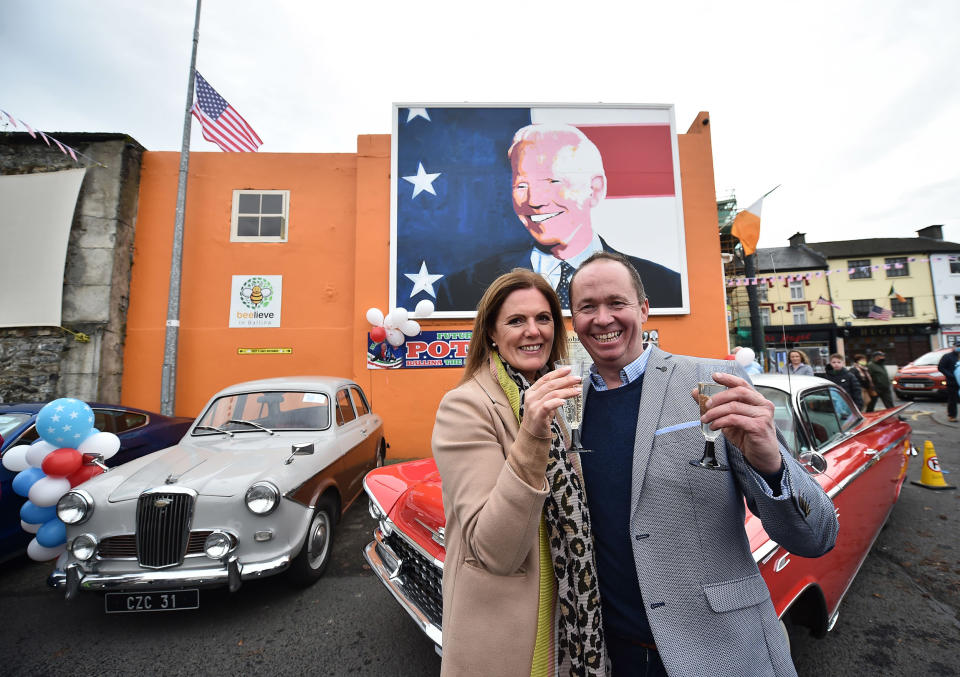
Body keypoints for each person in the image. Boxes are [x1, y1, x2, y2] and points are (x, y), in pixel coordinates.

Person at [567, 252, 838, 677]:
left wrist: (770, 464)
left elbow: (815, 537)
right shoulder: (567, 406)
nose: (603, 319)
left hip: (722, 651)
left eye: (616, 303)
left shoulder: (715, 382)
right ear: (573, 319)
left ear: (643, 309)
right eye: (587, 307)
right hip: (612, 656)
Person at [431, 269, 606, 676]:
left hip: (574, 622)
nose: (533, 331)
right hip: (508, 635)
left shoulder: (556, 394)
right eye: (516, 321)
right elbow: (494, 550)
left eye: (543, 318)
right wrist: (531, 433)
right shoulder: (464, 406)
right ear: (491, 333)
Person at [437, 123, 682, 311]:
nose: (534, 200)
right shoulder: (463, 288)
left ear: (594, 189)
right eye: (521, 185)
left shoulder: (663, 285)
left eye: (552, 181)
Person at [936, 345, 960, 422]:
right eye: (957, 346)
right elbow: (941, 367)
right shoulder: (947, 356)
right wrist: (951, 375)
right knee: (952, 400)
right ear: (953, 347)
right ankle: (952, 416)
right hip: (952, 382)